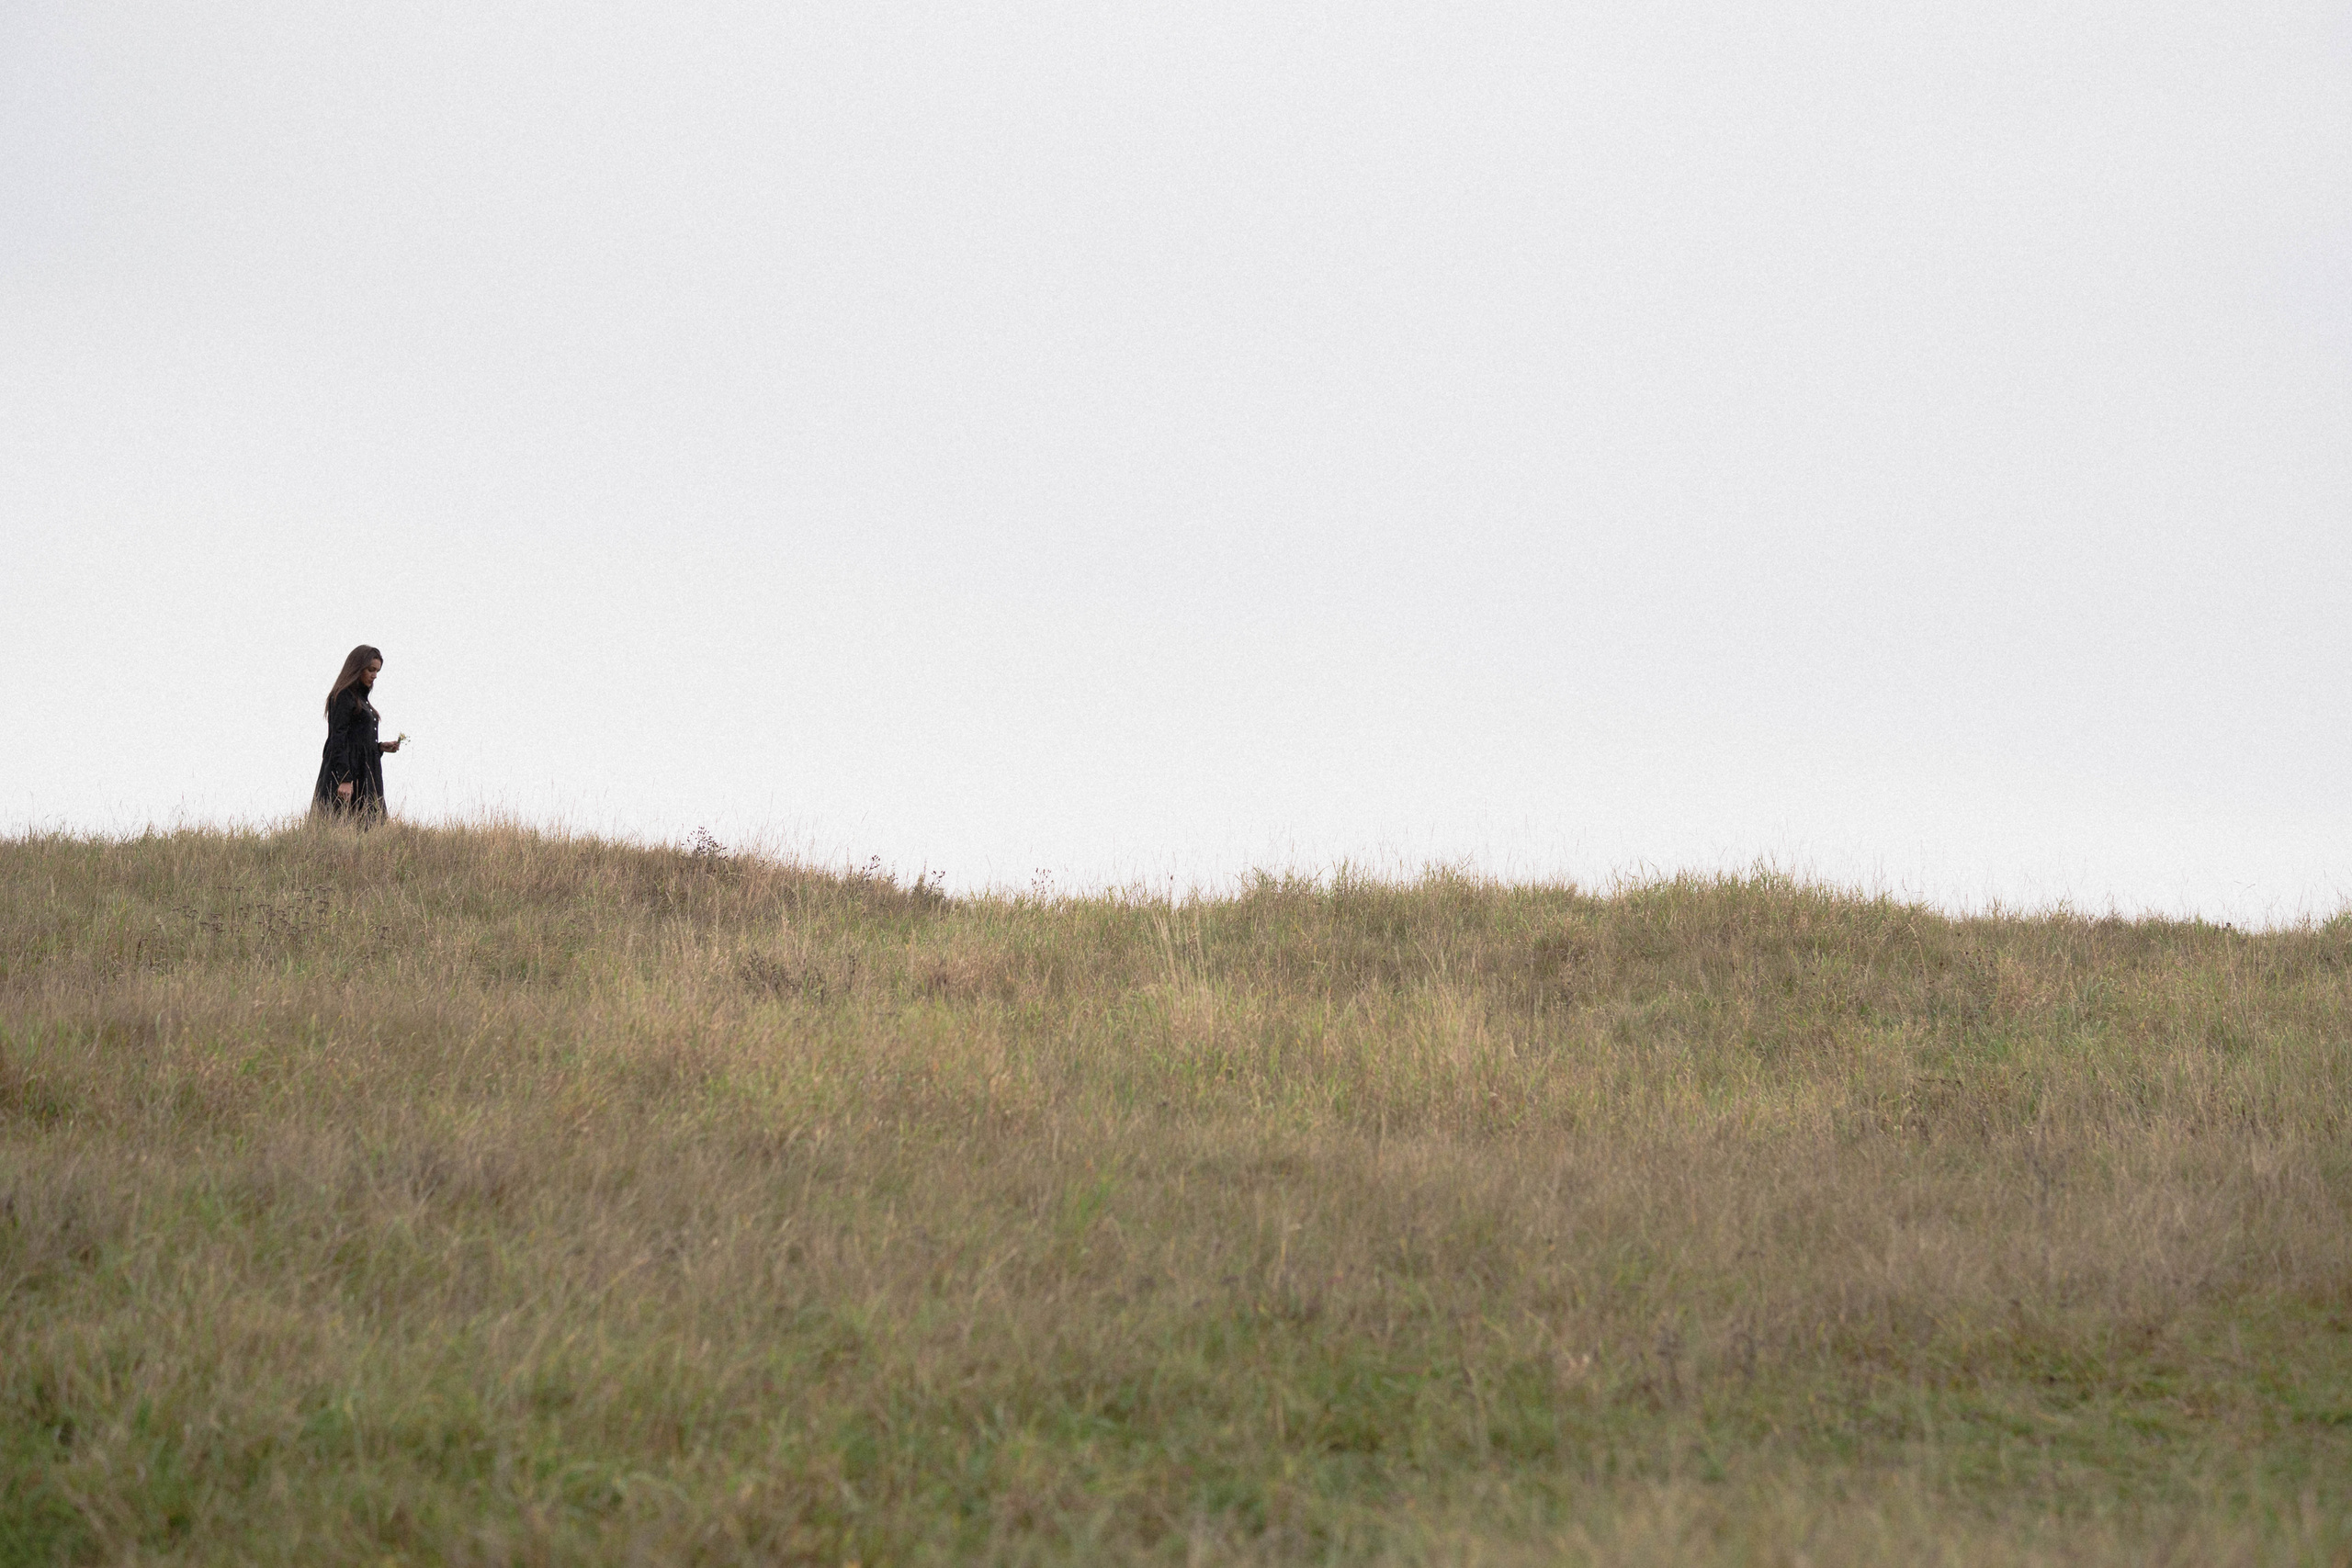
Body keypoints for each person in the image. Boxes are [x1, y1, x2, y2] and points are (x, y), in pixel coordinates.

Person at [313, 644, 401, 819]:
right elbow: (338, 739)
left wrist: (380, 747)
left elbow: (357, 740)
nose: (374, 675)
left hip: (364, 772)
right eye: (371, 670)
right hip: (348, 775)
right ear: (357, 667)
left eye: (377, 671)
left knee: (369, 829)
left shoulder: (362, 699)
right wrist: (345, 778)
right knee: (339, 826)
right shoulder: (343, 695)